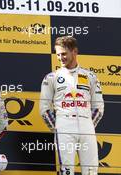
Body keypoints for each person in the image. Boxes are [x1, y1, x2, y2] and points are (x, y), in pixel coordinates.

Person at [40, 36, 104, 175]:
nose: (60, 58)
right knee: (66, 170)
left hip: (87, 124)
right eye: (58, 54)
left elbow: (99, 106)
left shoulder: (90, 76)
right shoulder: (51, 77)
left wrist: (86, 122)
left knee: (91, 170)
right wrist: (58, 126)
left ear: (74, 52)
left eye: (64, 54)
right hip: (64, 124)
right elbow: (44, 109)